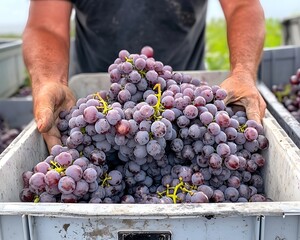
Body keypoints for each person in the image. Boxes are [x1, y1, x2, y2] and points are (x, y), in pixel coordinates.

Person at [22, 0, 266, 151]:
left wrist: (242, 72)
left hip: (185, 100)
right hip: (96, 105)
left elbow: (242, 5)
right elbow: (46, 25)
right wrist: (51, 80)